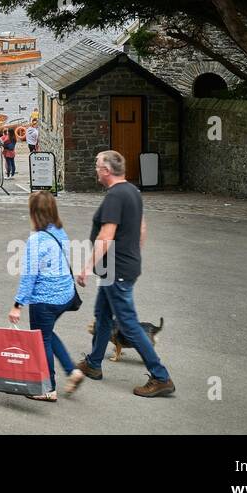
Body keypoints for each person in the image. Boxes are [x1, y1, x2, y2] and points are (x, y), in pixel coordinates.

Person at [66, 150, 175, 398]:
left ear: (106, 170)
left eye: (97, 165)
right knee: (103, 316)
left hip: (117, 271)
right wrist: (133, 254)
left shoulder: (115, 195)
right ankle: (94, 364)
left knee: (128, 323)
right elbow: (142, 227)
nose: (95, 169)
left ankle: (161, 377)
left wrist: (86, 267)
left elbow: (106, 236)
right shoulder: (132, 191)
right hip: (118, 268)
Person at [9, 191, 77, 401]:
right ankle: (72, 371)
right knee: (46, 333)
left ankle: (48, 388)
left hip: (45, 299)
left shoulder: (36, 240)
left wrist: (17, 305)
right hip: (65, 294)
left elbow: (29, 276)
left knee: (41, 340)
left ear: (34, 213)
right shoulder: (59, 230)